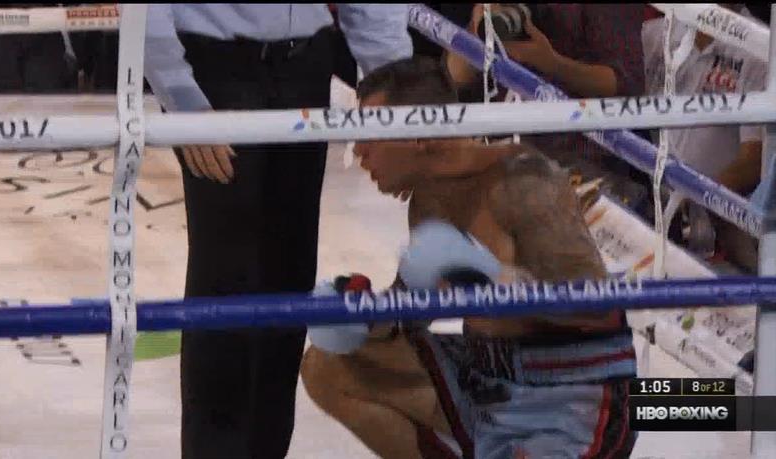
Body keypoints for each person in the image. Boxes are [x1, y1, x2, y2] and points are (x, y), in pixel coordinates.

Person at [301, 57, 637, 459]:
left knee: (709, 404)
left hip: (573, 394)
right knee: (328, 365)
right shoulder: (429, 199)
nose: (358, 152)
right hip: (487, 382)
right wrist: (364, 315)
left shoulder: (525, 181)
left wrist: (493, 279)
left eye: (369, 136)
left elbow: (594, 308)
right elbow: (415, 307)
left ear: (418, 136)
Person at [142, 5, 412, 458]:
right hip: (216, 70)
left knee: (291, 275)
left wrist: (398, 92)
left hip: (306, 67)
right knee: (225, 282)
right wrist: (180, 95)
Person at [444, 3, 652, 215]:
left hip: (575, 154)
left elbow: (626, 84)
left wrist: (551, 63)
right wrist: (478, 27)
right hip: (500, 146)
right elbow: (455, 75)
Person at [642, 3, 767, 271]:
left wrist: (693, 195)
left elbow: (754, 161)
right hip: (648, 200)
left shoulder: (759, 50)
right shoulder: (656, 34)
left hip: (717, 229)